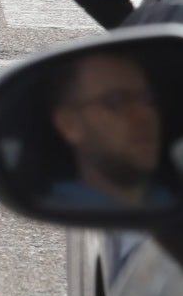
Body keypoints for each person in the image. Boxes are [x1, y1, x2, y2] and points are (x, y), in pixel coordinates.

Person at [45, 48, 176, 213]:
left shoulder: (173, 198)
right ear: (69, 124)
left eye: (148, 99)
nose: (145, 114)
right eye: (116, 101)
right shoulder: (58, 206)